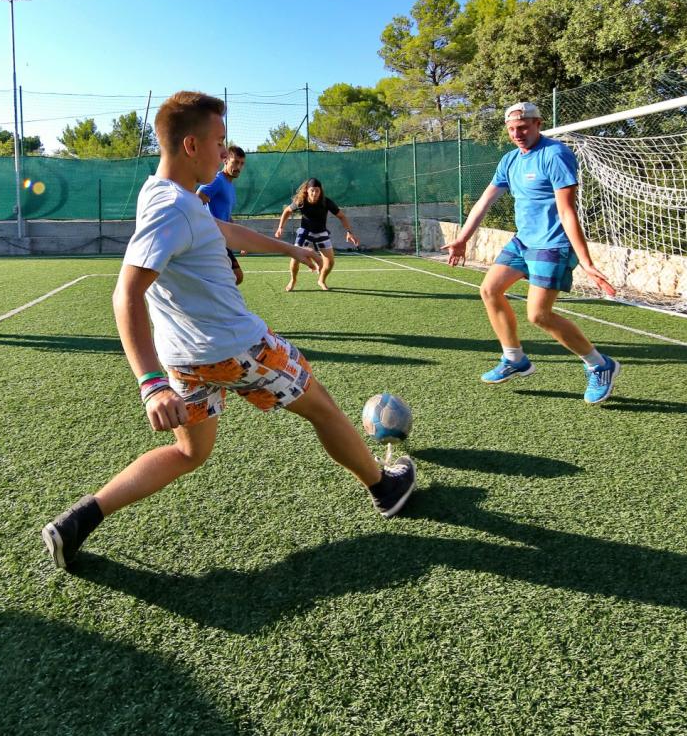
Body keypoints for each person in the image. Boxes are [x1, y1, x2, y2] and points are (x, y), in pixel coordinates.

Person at [42, 92, 416, 570]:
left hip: (186, 360)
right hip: (238, 348)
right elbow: (125, 294)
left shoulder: (164, 193)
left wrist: (288, 249)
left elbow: (222, 231)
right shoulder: (173, 208)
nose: (225, 153)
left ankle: (79, 520)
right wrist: (150, 385)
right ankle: (385, 488)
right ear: (191, 145)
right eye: (219, 142)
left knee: (189, 452)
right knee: (322, 407)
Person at [441, 102, 619, 404]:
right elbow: (485, 201)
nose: (517, 134)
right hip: (523, 242)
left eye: (523, 127)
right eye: (511, 129)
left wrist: (586, 261)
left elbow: (567, 211)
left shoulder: (555, 154)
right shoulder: (510, 160)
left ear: (538, 124)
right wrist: (462, 239)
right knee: (489, 290)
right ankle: (514, 358)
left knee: (538, 315)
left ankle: (600, 365)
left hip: (553, 244)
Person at [273, 178, 359, 291]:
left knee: (330, 262)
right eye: (312, 190)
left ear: (320, 191)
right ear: (307, 190)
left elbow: (341, 216)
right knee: (295, 258)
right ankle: (293, 280)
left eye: (317, 190)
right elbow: (287, 211)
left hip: (321, 232)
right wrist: (280, 227)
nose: (314, 193)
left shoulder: (326, 202)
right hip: (305, 232)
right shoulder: (301, 201)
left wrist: (349, 232)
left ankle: (321, 280)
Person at [197, 144, 246, 285]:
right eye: (235, 162)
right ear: (225, 160)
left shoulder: (229, 185)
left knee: (236, 276)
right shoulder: (217, 180)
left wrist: (241, 240)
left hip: (222, 239)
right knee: (234, 276)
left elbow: (226, 217)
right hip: (211, 239)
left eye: (241, 163)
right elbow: (197, 199)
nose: (238, 167)